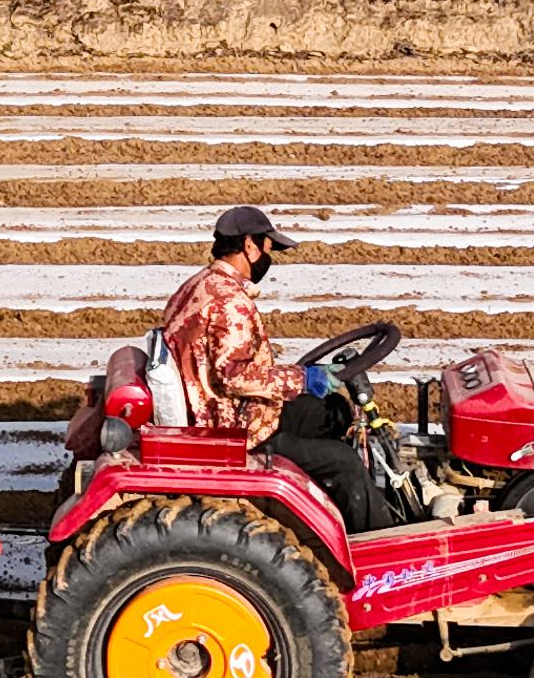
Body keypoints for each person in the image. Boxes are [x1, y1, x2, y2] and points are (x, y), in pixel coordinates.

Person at [157, 204, 387, 531]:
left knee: (333, 410)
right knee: (344, 462)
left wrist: (300, 379)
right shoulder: (230, 302)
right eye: (268, 248)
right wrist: (302, 378)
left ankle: (329, 512)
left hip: (220, 408)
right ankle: (383, 544)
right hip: (235, 428)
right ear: (249, 245)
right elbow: (235, 376)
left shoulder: (198, 285)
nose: (269, 257)